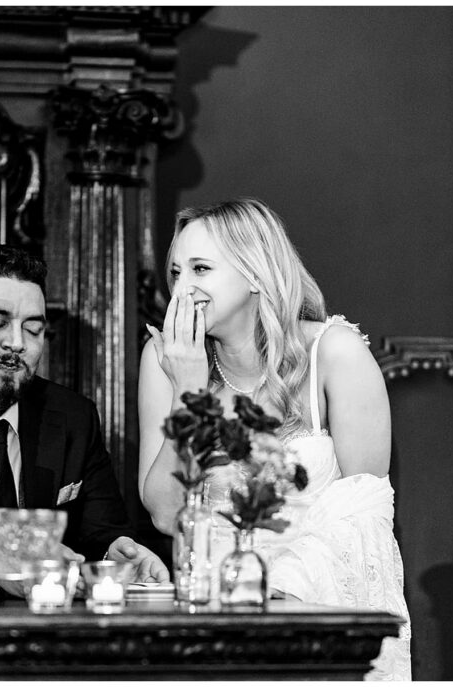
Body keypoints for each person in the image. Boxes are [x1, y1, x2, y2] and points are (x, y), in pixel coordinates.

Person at [137, 198, 411, 680]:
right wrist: (187, 391)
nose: (181, 289)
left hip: (319, 618)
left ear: (255, 274)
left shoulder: (335, 353)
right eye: (176, 272)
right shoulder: (163, 360)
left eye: (201, 269)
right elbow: (165, 513)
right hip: (214, 622)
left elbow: (365, 517)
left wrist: (273, 593)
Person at [0, 244, 168, 584]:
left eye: (33, 329)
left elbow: (101, 529)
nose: (16, 342)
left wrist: (116, 553)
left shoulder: (73, 416)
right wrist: (6, 561)